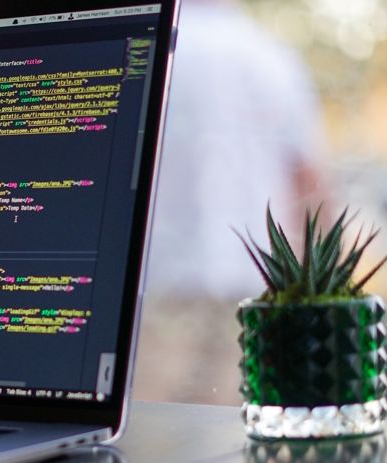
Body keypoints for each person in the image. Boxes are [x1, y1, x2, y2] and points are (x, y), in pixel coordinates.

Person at [133, 0, 326, 404]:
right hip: (255, 294)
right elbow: (310, 190)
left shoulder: (148, 48)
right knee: (234, 447)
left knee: (152, 449)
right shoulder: (273, 58)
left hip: (158, 290)